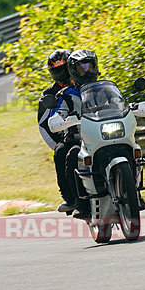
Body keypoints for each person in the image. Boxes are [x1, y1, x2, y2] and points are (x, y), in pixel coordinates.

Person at [49, 49, 101, 219]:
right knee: (69, 154)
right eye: (82, 68)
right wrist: (58, 119)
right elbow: (57, 113)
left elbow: (118, 102)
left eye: (90, 66)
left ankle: (134, 189)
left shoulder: (105, 88)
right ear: (73, 71)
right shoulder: (66, 95)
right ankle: (79, 202)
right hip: (78, 138)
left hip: (102, 134)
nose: (87, 71)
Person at [38, 49, 80, 213]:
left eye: (64, 69)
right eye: (57, 71)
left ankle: (133, 187)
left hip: (96, 129)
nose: (61, 74)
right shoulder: (48, 94)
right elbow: (43, 125)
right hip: (69, 137)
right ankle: (70, 198)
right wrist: (57, 144)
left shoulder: (85, 82)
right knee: (61, 155)